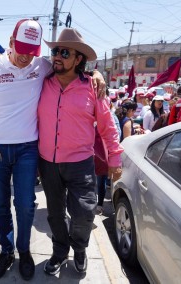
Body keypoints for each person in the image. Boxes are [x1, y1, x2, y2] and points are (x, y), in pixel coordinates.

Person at [0, 19, 106, 281]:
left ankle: (24, 251)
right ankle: (6, 252)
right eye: (20, 48)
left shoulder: (43, 65)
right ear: (10, 43)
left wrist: (97, 74)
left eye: (31, 50)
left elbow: (76, 69)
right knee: (1, 205)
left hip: (28, 148)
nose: (25, 56)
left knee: (26, 205)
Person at [37, 28, 123, 275]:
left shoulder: (93, 89)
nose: (57, 57)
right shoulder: (42, 83)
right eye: (55, 51)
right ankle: (60, 251)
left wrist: (114, 159)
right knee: (54, 215)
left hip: (80, 163)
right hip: (48, 163)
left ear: (78, 60)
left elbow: (108, 128)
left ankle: (80, 248)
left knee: (84, 214)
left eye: (65, 52)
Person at [96, 96, 121, 215]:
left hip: (102, 155)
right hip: (90, 154)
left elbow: (116, 135)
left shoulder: (112, 117)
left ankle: (99, 204)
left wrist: (113, 157)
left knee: (101, 181)